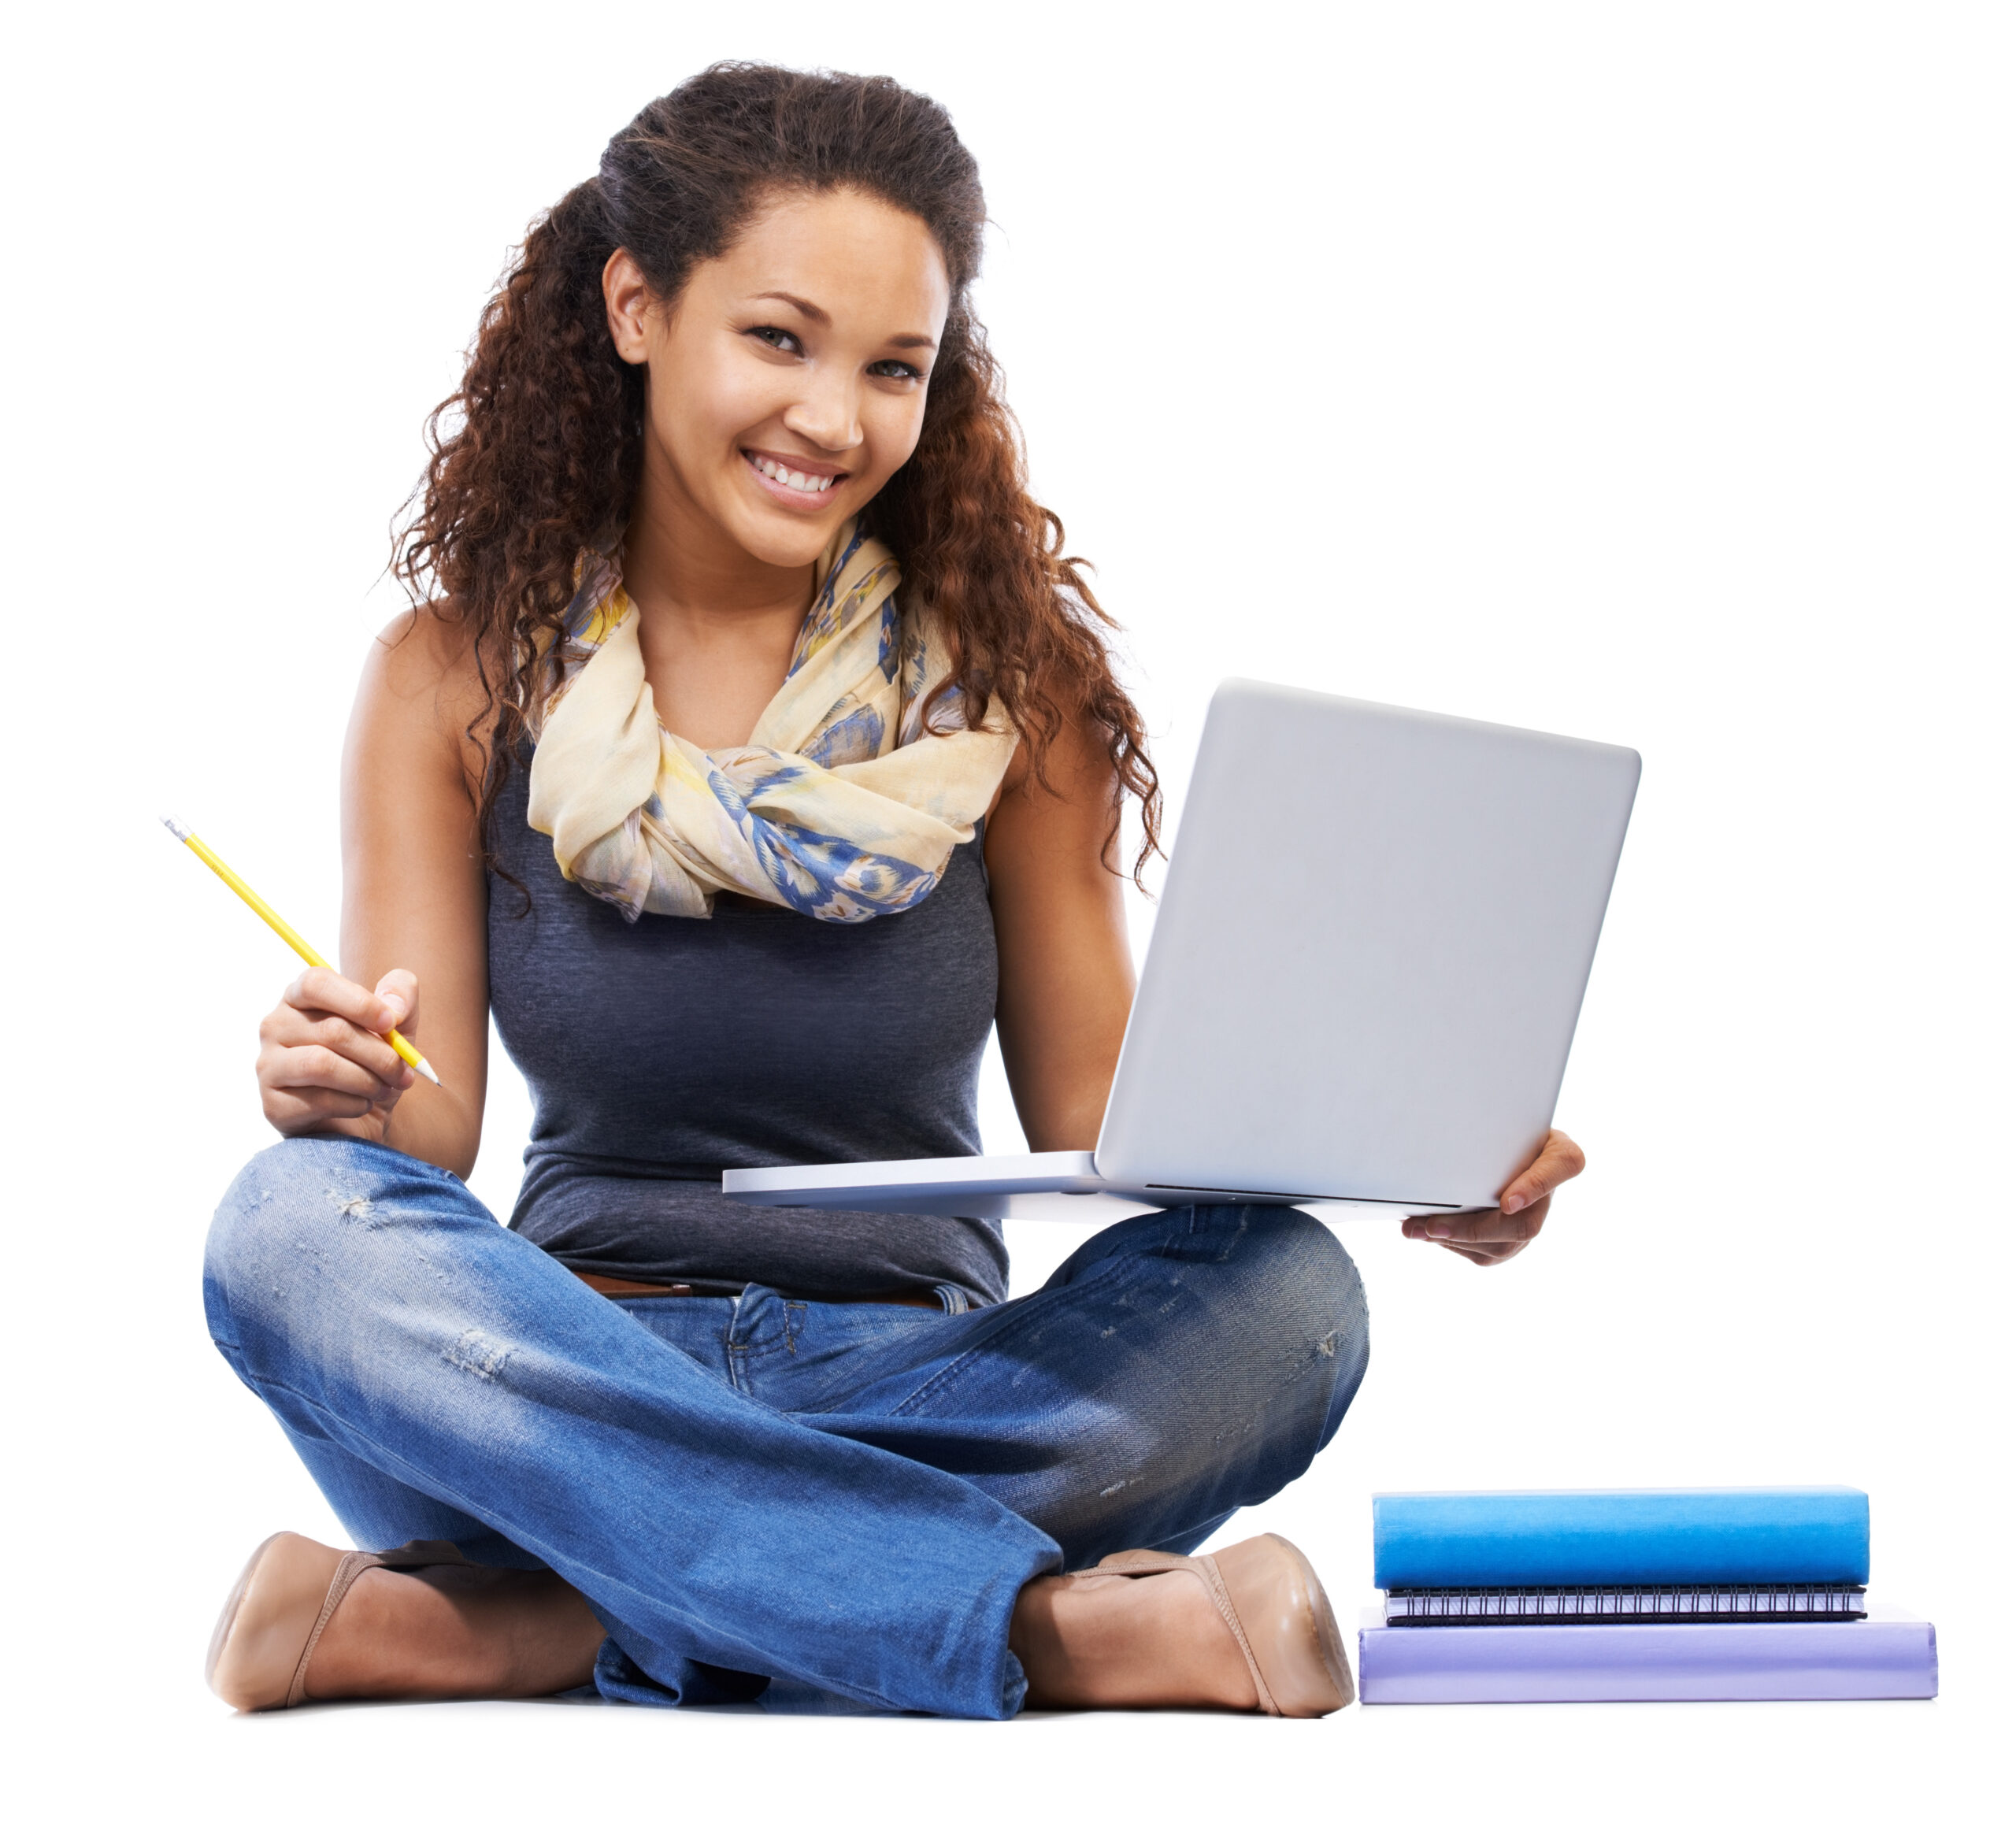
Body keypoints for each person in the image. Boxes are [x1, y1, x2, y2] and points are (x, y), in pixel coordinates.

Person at [201, 62, 1586, 1721]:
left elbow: (1113, 1114)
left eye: (891, 368)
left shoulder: (1011, 690)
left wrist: (1414, 1148)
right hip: (563, 1369)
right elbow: (419, 1142)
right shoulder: (453, 677)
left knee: (1286, 1303)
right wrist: (341, 1084)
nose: (834, 421)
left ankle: (533, 1623)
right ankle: (1032, 1632)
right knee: (288, 1229)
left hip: (928, 1368)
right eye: (776, 340)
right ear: (636, 307)